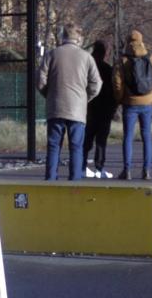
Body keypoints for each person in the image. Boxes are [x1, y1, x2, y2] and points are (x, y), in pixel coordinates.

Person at [37, 23, 103, 181]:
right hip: (77, 109)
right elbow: (97, 83)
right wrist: (85, 98)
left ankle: (50, 180)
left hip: (55, 106)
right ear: (79, 38)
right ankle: (74, 181)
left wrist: (50, 95)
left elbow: (40, 80)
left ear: (63, 37)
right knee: (76, 147)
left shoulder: (51, 54)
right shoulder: (86, 57)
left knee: (53, 146)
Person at [114, 30, 152, 180]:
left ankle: (127, 171)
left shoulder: (122, 61)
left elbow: (117, 83)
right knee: (146, 136)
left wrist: (120, 98)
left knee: (128, 137)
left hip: (130, 102)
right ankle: (146, 170)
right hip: (147, 103)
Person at [84, 40, 117, 179]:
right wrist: (114, 107)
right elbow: (115, 90)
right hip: (105, 110)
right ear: (104, 54)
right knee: (101, 141)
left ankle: (82, 165)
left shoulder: (88, 68)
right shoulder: (108, 70)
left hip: (91, 108)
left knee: (87, 139)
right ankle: (99, 167)